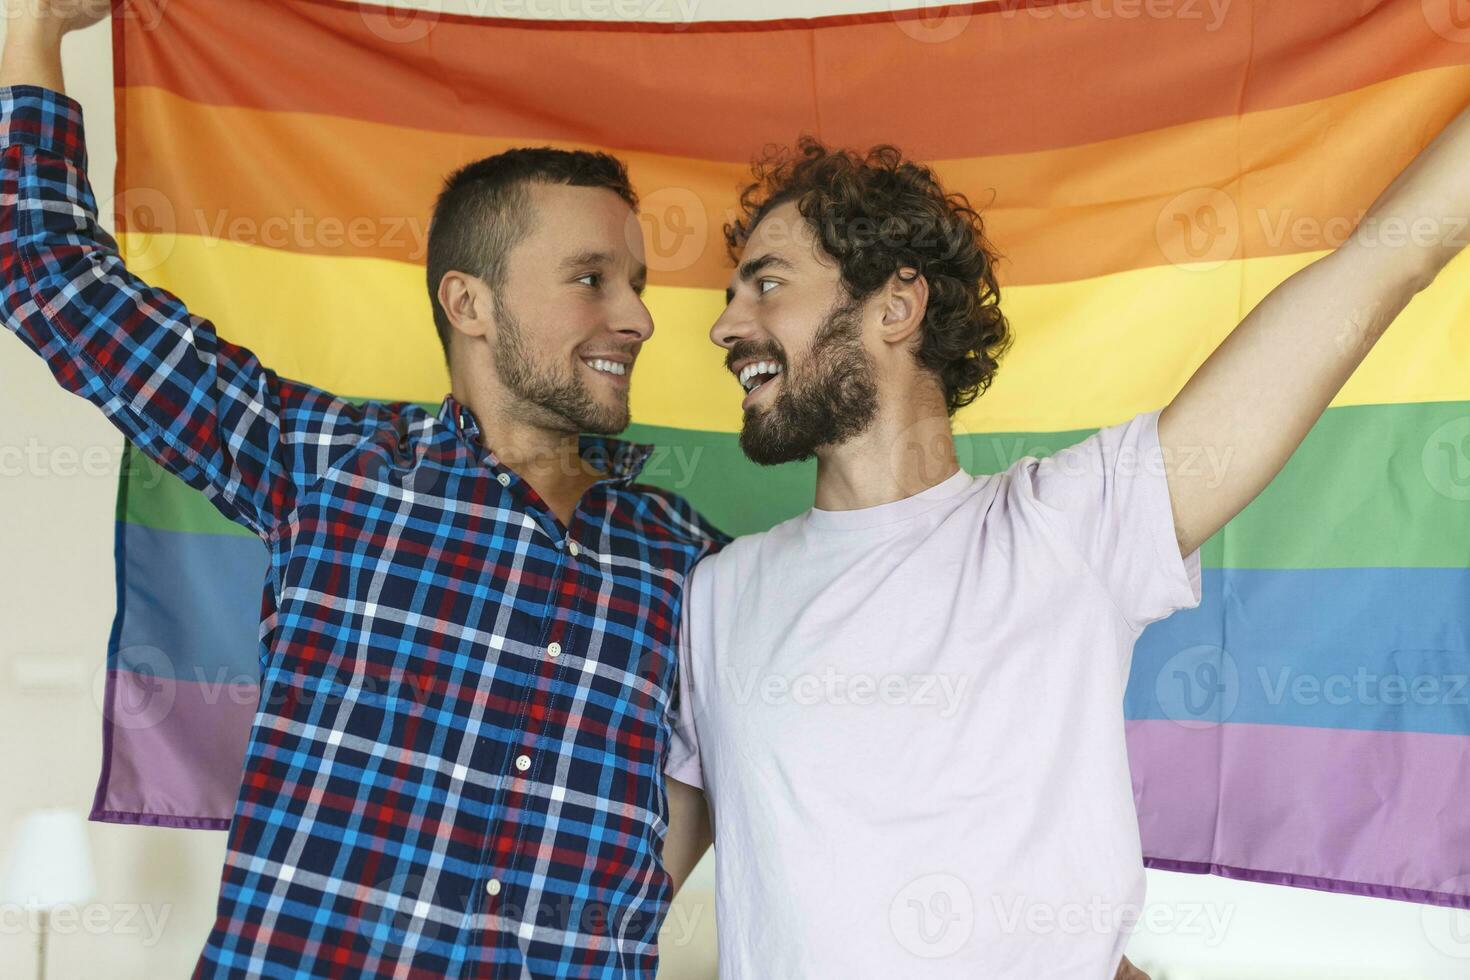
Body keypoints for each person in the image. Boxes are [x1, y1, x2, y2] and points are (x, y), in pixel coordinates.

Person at [0, 4, 727, 975]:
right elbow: (47, 273)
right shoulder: (327, 461)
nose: (637, 316)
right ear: (468, 301)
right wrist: (34, 32)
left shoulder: (691, 557)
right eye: (591, 278)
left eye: (636, 282)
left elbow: (725, 767)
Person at [661, 123, 1465, 976]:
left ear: (896, 307)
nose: (725, 327)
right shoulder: (718, 593)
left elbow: (1378, 269)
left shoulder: (1075, 525)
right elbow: (626, 893)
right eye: (730, 296)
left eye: (767, 284)